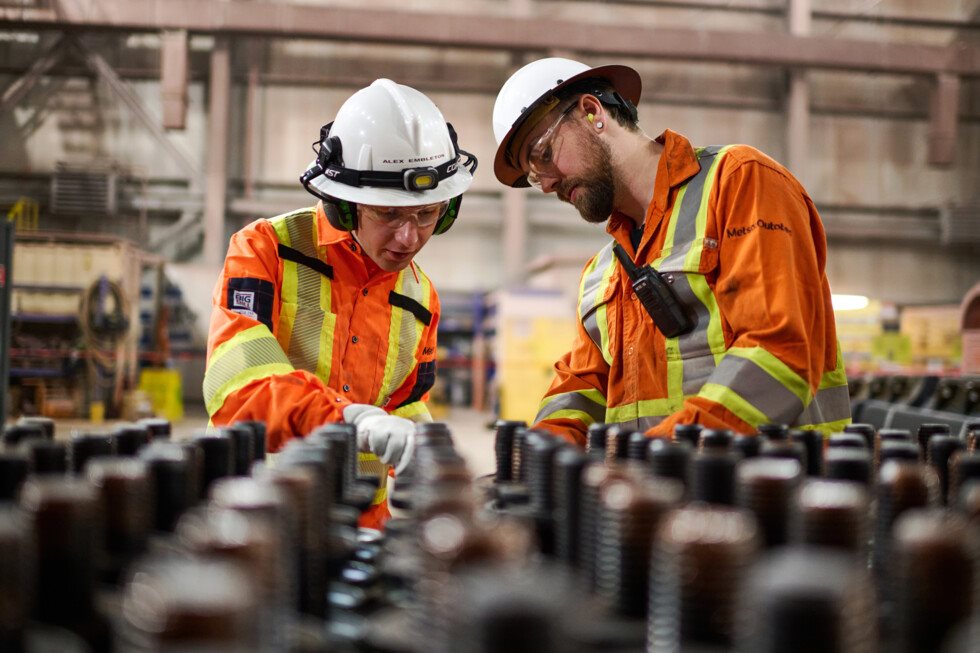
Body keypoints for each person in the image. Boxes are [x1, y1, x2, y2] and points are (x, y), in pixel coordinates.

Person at [491, 58, 850, 446]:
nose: (545, 184)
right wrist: (542, 450)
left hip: (775, 490)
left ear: (592, 112)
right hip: (655, 494)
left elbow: (778, 352)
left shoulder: (740, 184)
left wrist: (660, 452)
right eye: (533, 174)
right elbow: (582, 385)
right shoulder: (603, 273)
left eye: (543, 154)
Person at [204, 79, 476, 528]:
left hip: (362, 525)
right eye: (388, 213)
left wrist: (425, 451)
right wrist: (348, 419)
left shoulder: (419, 297)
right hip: (258, 519)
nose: (409, 238)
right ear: (344, 206)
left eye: (426, 214)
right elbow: (239, 389)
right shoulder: (266, 250)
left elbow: (404, 404)